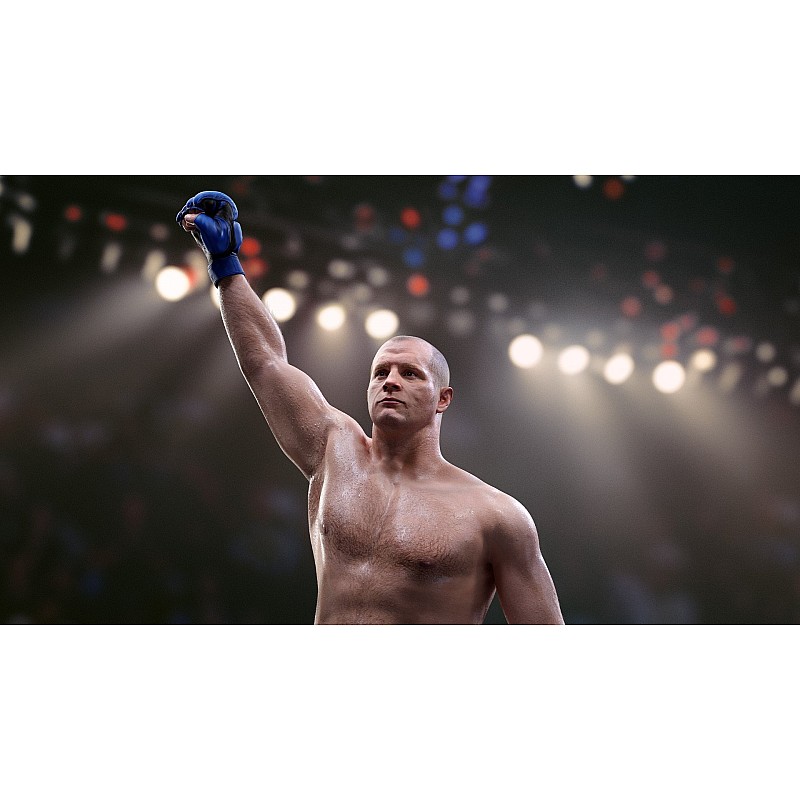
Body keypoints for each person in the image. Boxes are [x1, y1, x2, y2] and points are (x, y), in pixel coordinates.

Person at [177, 190, 564, 624]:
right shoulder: (335, 450)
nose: (391, 381)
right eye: (381, 373)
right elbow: (266, 363)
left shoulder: (496, 516)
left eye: (410, 373)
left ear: (443, 398)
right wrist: (226, 267)